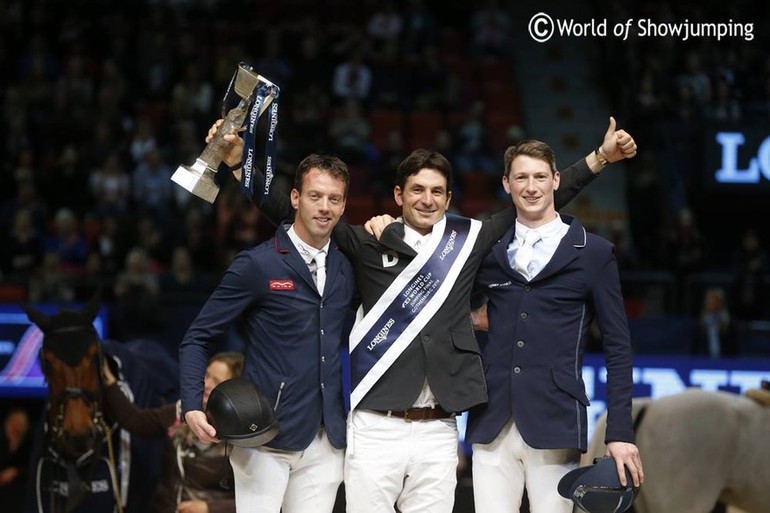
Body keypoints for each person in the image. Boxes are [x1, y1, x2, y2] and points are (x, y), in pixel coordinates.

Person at [206, 115, 636, 512]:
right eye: (416, 190)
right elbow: (293, 211)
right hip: (375, 427)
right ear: (398, 195)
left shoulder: (468, 242)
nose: (427, 200)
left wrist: (599, 160)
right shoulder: (368, 243)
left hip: (439, 429)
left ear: (449, 199)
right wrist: (239, 164)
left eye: (436, 192)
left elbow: (535, 197)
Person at [466, 140, 643, 513]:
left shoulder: (593, 253)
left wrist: (620, 434)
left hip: (556, 422)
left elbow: (618, 347)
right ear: (506, 184)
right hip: (490, 419)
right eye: (521, 178)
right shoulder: (487, 251)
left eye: (540, 177)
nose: (531, 187)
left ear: (556, 180)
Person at [179, 155, 354, 513]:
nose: (324, 207)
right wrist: (192, 406)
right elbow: (198, 336)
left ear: (344, 205)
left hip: (326, 441)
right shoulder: (258, 264)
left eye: (334, 199)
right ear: (294, 198)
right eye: (315, 196)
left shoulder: (347, 265)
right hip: (263, 438)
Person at [102, 352, 242, 513]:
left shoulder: (243, 433)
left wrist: (209, 508)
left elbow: (260, 497)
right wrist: (109, 381)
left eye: (216, 381)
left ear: (234, 389)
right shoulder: (184, 411)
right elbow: (136, 421)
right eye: (206, 375)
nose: (206, 383)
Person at [0, 408, 32, 513]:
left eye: (21, 425)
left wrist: (16, 472)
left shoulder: (29, 447)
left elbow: (32, 469)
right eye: (14, 423)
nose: (17, 427)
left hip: (18, 496)